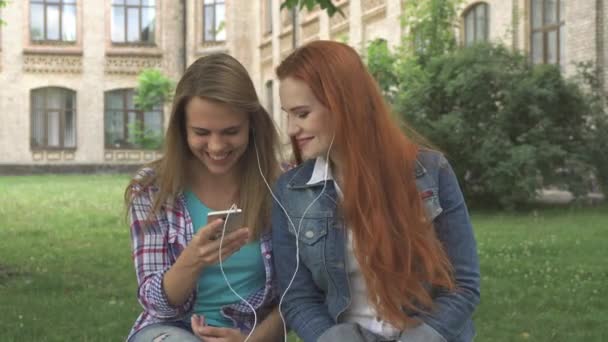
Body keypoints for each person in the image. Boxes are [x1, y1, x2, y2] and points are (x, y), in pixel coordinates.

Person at [271, 40, 480, 342]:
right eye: (287, 114)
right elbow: (297, 298)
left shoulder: (430, 172)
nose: (291, 129)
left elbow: (463, 284)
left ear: (344, 104)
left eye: (301, 114)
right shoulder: (291, 191)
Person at [125, 53, 284, 342]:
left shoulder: (281, 186)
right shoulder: (152, 189)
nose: (216, 146)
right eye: (201, 132)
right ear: (181, 130)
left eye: (231, 132)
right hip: (172, 330)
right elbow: (153, 302)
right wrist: (192, 261)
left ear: (252, 124)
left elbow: (300, 296)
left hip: (252, 334)